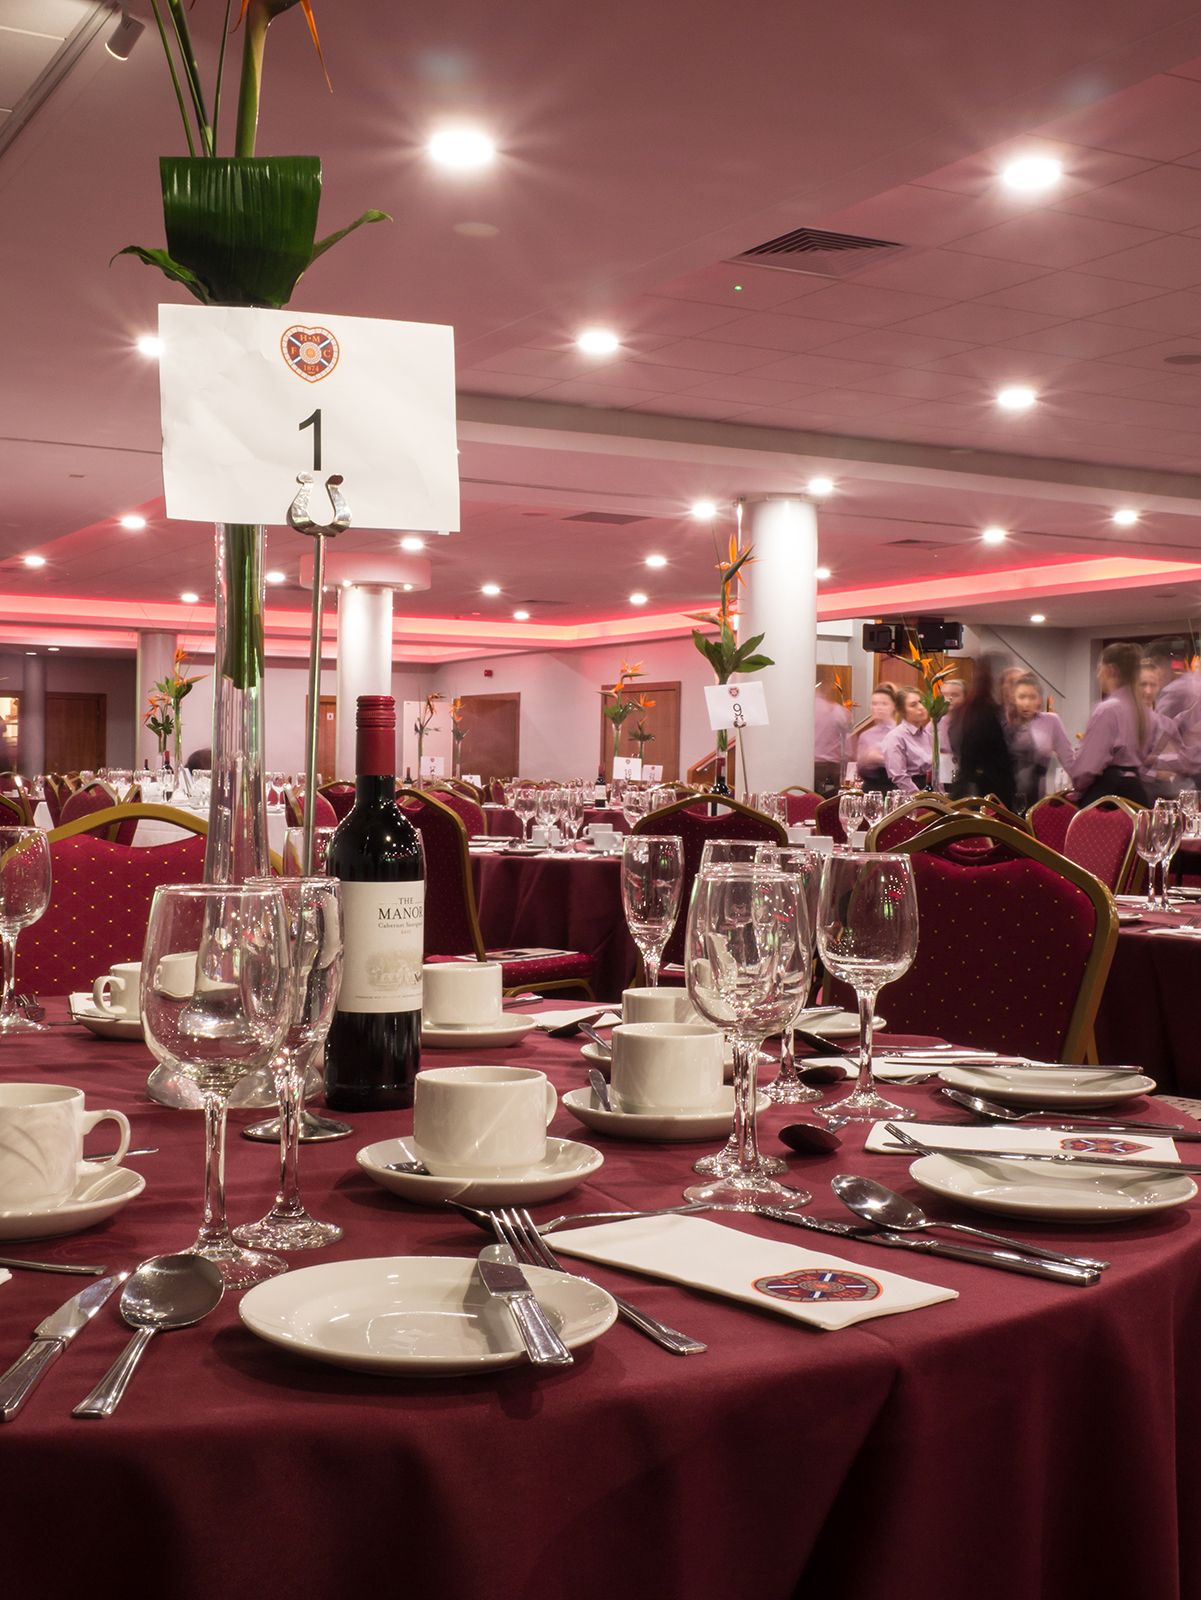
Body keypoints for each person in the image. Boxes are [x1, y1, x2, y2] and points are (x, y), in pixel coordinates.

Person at [1073, 642, 1170, 808]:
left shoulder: (1107, 709)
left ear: (1110, 670)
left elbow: (1087, 768)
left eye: (1099, 668)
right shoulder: (1145, 713)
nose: (1097, 675)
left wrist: (1078, 791)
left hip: (1107, 794)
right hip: (1136, 792)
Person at [950, 655, 1016, 808]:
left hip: (972, 791)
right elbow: (981, 760)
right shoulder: (985, 712)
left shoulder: (966, 710)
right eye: (1009, 681)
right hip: (986, 796)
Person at [1006, 674, 1074, 810]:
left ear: (1039, 700)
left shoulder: (1051, 722)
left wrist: (1084, 788)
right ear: (1013, 699)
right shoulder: (1005, 723)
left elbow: (1068, 759)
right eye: (1022, 697)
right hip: (1004, 798)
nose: (1026, 703)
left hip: (1036, 800)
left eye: (1032, 697)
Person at [882, 687, 933, 794]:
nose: (921, 708)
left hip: (929, 789)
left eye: (922, 702)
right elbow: (898, 776)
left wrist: (940, 798)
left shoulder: (928, 735)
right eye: (913, 705)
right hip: (908, 793)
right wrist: (919, 798)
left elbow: (935, 771)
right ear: (902, 711)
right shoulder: (896, 736)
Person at [848, 685, 898, 793]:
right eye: (874, 704)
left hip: (895, 787)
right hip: (871, 788)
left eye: (884, 704)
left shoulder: (900, 732)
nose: (878, 708)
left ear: (893, 706)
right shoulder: (866, 735)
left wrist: (880, 758)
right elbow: (860, 767)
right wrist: (866, 760)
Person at [813, 682, 848, 798]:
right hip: (832, 770)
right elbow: (848, 748)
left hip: (811, 769)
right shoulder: (840, 711)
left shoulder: (806, 709)